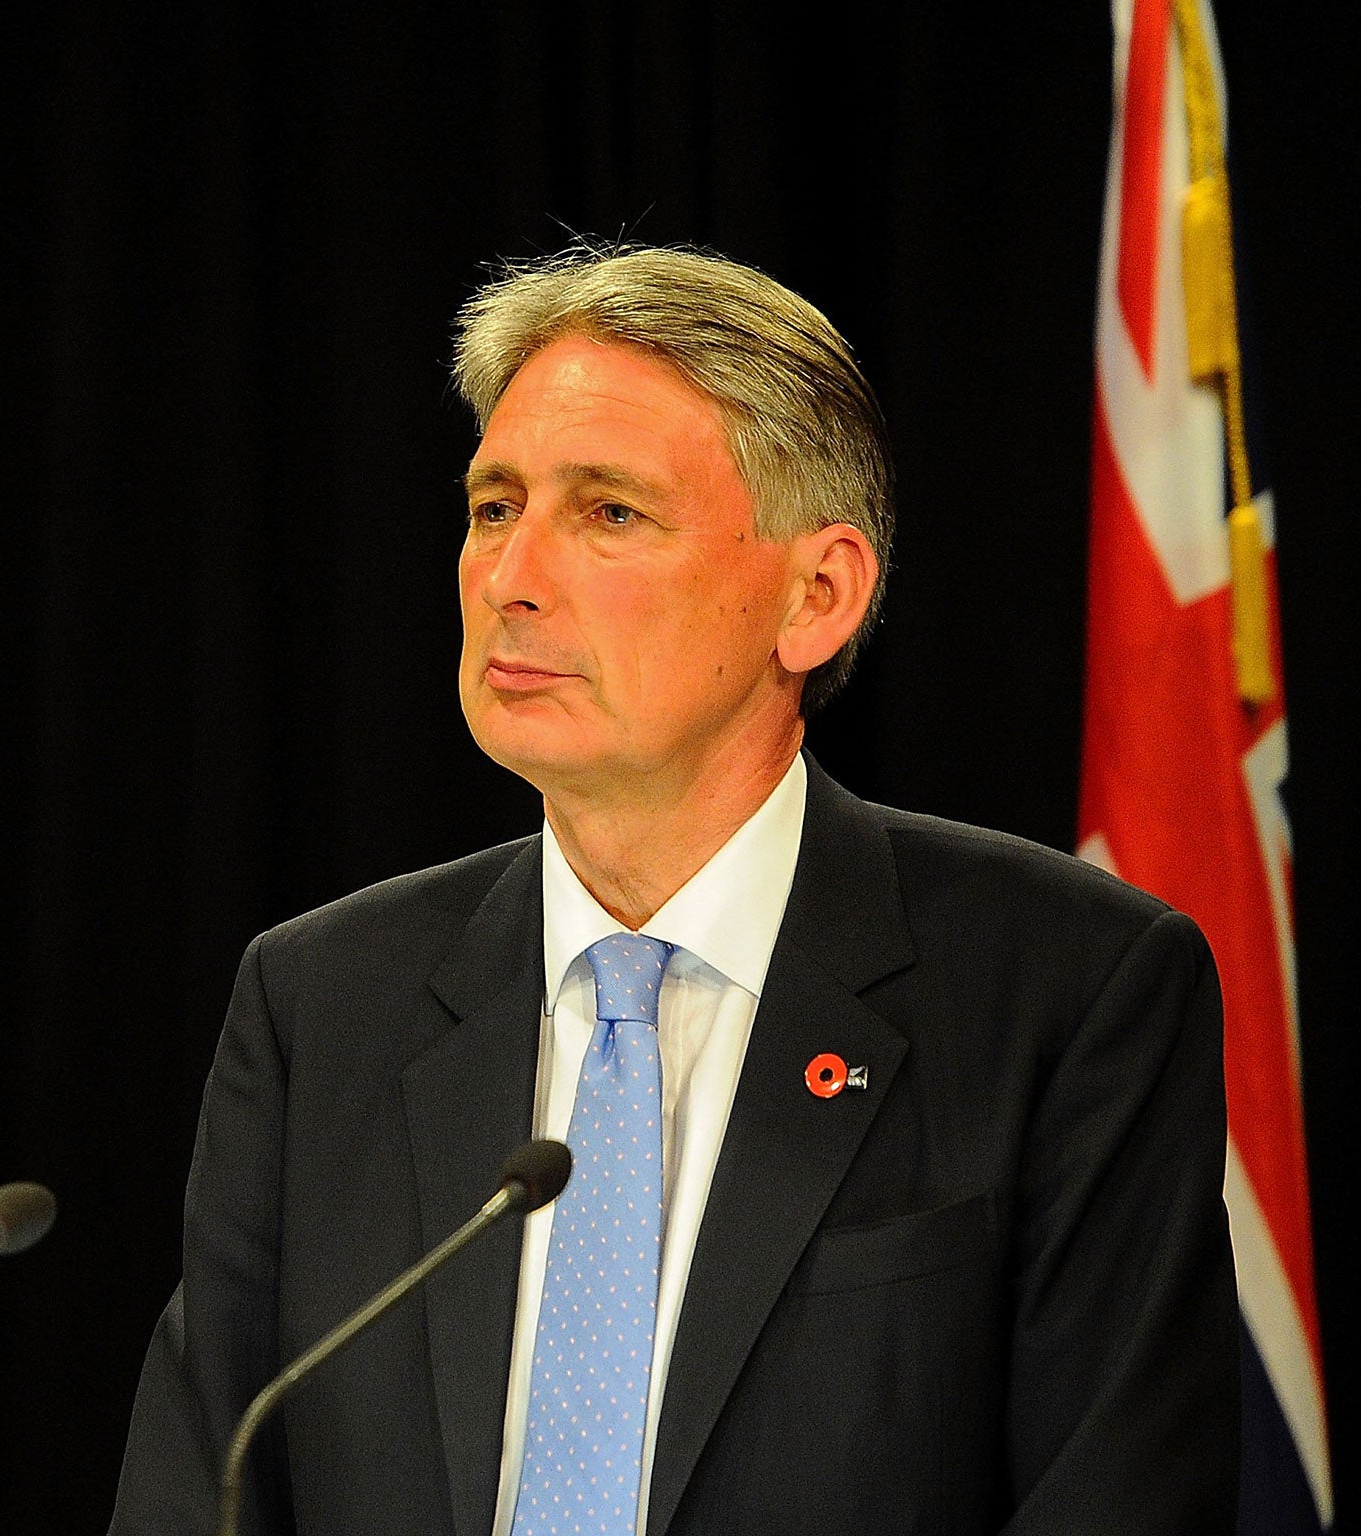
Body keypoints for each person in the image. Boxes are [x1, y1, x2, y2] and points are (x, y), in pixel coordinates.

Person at [109, 245, 1237, 1535]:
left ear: (815, 598)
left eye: (610, 513)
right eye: (493, 506)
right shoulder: (321, 1002)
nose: (510, 577)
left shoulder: (1070, 991)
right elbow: (197, 1491)